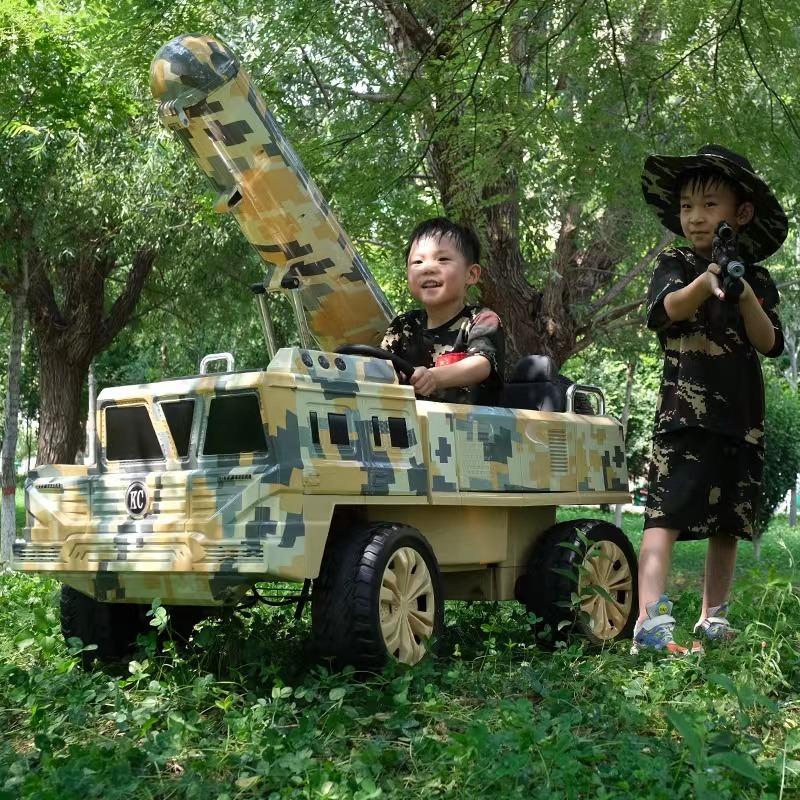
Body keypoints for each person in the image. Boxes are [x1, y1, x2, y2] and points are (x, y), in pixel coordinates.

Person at [633, 144, 788, 655]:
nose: (695, 217)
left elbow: (770, 342)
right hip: (684, 415)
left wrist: (743, 295)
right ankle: (649, 623)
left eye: (709, 205)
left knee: (729, 523)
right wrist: (705, 282)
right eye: (686, 206)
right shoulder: (675, 262)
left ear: (741, 214)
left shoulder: (756, 277)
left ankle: (713, 618)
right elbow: (667, 310)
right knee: (664, 514)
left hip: (741, 419)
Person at [380, 217, 504, 405]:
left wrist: (433, 377)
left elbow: (481, 364)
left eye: (442, 259)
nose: (428, 268)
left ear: (471, 274)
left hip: (471, 423)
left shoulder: (480, 320)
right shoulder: (403, 325)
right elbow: (379, 368)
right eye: (417, 262)